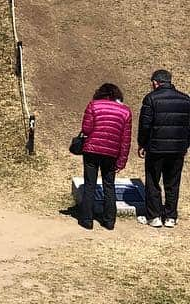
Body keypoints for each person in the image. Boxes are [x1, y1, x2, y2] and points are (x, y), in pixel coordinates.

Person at [137, 69, 190, 228]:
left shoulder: (151, 99)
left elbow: (145, 125)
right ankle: (170, 216)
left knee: (153, 181)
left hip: (156, 149)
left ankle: (154, 217)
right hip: (177, 149)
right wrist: (185, 144)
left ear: (155, 82)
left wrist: (142, 144)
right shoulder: (186, 100)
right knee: (173, 182)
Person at [77, 82, 132, 230]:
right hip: (112, 153)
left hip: (92, 150)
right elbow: (125, 139)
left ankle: (87, 220)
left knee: (90, 184)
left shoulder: (93, 105)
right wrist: (122, 160)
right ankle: (109, 222)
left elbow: (86, 129)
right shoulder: (125, 112)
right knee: (109, 186)